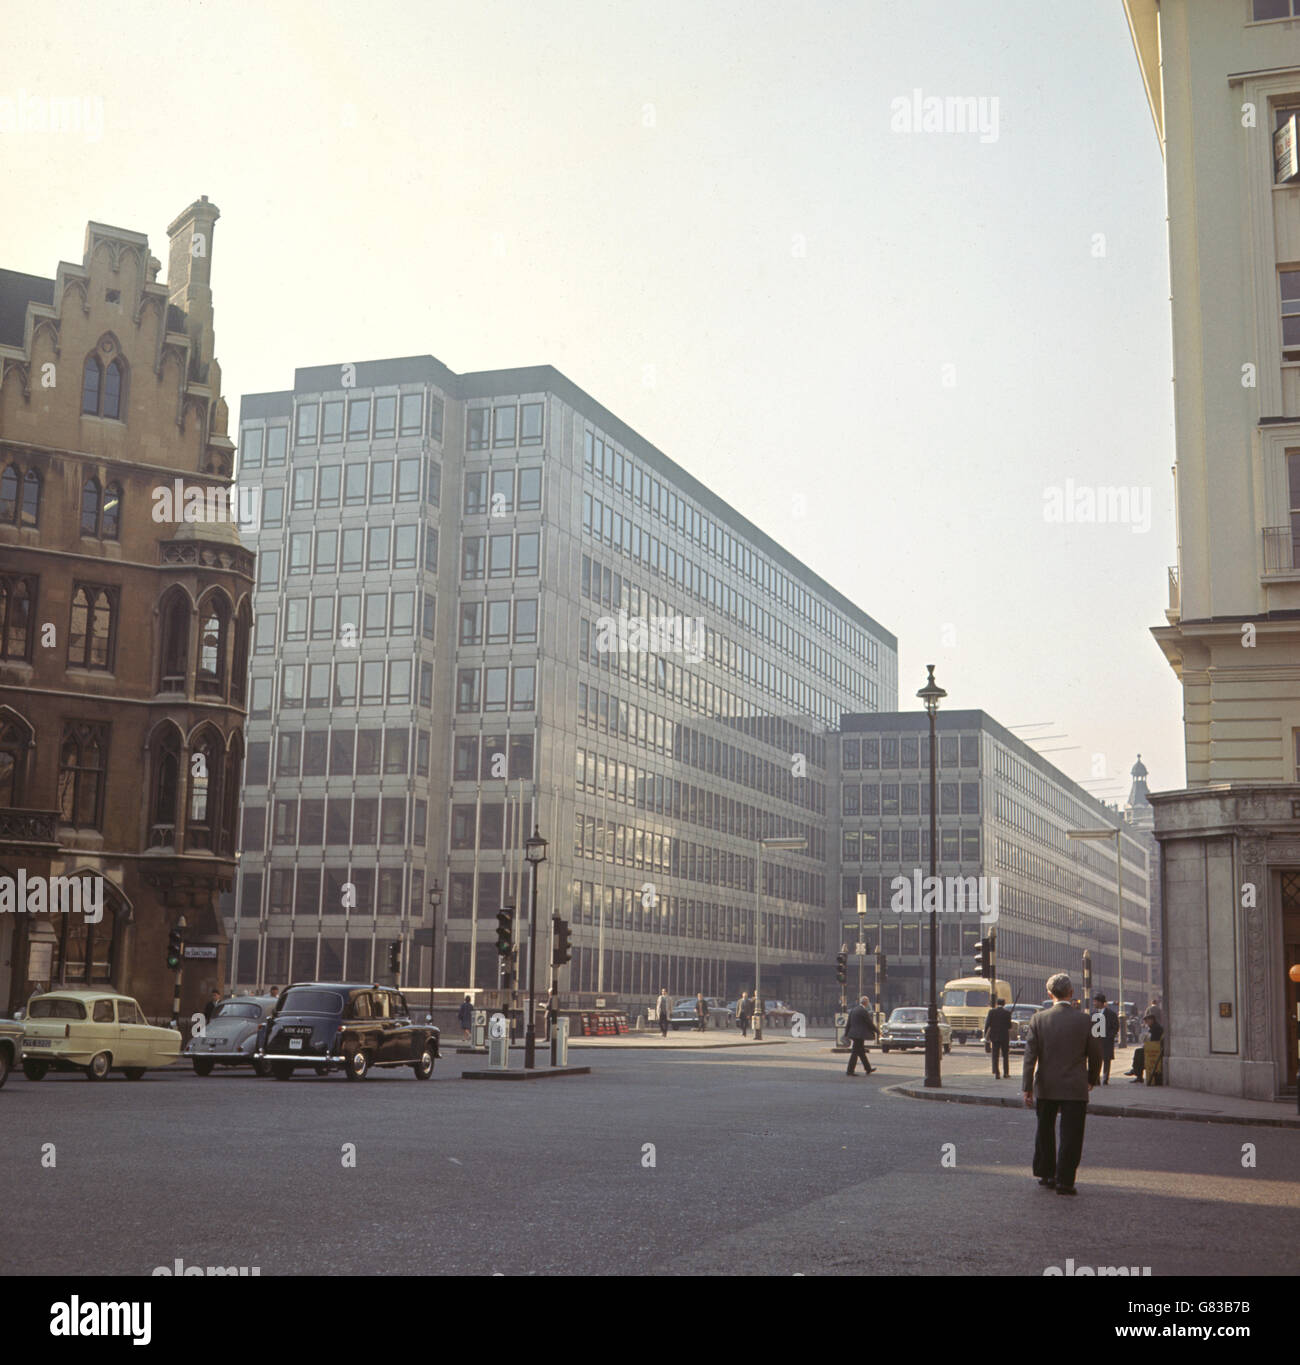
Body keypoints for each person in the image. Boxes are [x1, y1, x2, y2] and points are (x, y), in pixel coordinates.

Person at [1022, 972, 1102, 1197]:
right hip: (1075, 1087)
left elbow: (1030, 1057)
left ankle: (1046, 1174)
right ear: (1071, 993)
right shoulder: (1085, 1020)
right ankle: (1065, 1181)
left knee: (1045, 1131)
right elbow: (1096, 1055)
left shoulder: (1038, 1019)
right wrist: (1091, 1079)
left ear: (1049, 994)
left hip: (1046, 1085)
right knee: (1072, 1135)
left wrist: (1027, 1087)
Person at [1124, 1010, 1164, 1081]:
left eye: (1147, 1021)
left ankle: (1136, 1071)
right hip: (1152, 1047)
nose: (1146, 1023)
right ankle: (1137, 1073)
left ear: (1152, 1020)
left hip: (1155, 1049)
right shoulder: (1153, 1027)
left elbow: (1153, 1040)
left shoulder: (1156, 1028)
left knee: (1139, 1052)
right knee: (1139, 1052)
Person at [845, 995, 876, 1076]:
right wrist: (878, 1031)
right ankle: (850, 1071)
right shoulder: (863, 1011)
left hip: (854, 1034)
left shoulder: (853, 1010)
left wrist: (846, 1034)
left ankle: (868, 1068)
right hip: (859, 1035)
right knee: (855, 1053)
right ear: (866, 1002)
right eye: (868, 1002)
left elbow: (848, 1023)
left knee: (861, 1052)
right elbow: (869, 1023)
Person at [1092, 993, 1119, 1084]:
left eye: (1095, 1001)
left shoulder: (1111, 1014)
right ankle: (1096, 1078)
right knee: (1096, 1060)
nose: (1094, 1003)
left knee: (1107, 1060)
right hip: (1096, 1041)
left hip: (1107, 1041)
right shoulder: (1093, 1014)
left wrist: (1109, 1036)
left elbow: (1115, 1027)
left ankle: (1105, 1078)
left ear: (1100, 1002)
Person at [984, 997, 1012, 1078]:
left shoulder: (992, 1012)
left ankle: (997, 1073)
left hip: (994, 1036)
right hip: (1004, 1037)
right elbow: (1009, 1026)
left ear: (997, 1003)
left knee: (995, 1055)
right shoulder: (1007, 1013)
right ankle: (1006, 1073)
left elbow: (987, 1024)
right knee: (1005, 1055)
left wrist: (986, 1035)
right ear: (1004, 1004)